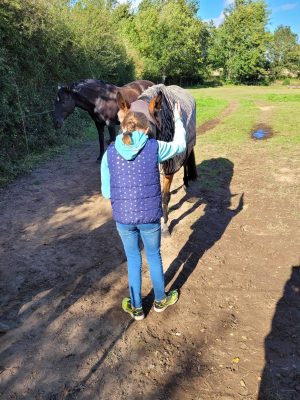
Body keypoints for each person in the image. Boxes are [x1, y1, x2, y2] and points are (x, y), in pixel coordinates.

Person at [101, 102, 186, 320]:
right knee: (154, 255)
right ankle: (160, 300)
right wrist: (177, 119)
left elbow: (106, 191)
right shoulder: (155, 146)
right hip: (149, 216)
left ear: (123, 128)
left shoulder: (109, 152)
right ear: (146, 130)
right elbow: (180, 145)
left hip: (123, 218)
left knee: (132, 258)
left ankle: (136, 308)